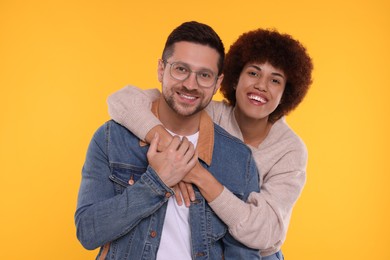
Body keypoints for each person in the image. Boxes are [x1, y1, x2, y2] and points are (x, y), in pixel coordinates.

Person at [107, 28, 313, 259]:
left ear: (286, 93)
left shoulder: (290, 150)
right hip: (205, 241)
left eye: (275, 80)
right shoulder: (209, 114)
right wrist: (170, 146)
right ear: (234, 79)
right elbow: (121, 101)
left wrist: (195, 173)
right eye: (254, 73)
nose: (261, 86)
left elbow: (264, 233)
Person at [75, 21, 261, 260]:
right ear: (161, 70)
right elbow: (88, 232)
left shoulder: (238, 159)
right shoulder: (112, 139)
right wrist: (157, 181)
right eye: (181, 69)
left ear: (217, 83)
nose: (190, 85)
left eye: (204, 75)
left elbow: (243, 253)